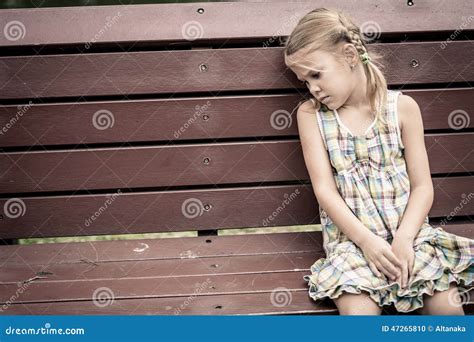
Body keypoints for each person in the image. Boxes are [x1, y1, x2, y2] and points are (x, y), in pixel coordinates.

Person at [283, 7, 473, 315]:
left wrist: (405, 238)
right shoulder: (311, 116)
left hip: (410, 237)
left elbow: (423, 186)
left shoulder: (403, 109)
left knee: (447, 311)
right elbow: (325, 191)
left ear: (349, 55)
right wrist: (368, 242)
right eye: (304, 81)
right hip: (353, 244)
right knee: (361, 318)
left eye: (316, 74)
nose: (312, 88)